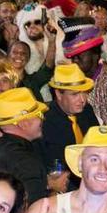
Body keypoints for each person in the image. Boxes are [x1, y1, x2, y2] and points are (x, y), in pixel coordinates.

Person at [0, 87, 49, 204]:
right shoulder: (26, 162)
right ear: (23, 124)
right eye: (39, 115)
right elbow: (34, 209)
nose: (43, 118)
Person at [40, 64, 99, 192]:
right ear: (59, 94)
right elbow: (54, 169)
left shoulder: (87, 111)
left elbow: (98, 143)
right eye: (75, 94)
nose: (82, 100)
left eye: (84, 93)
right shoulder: (46, 122)